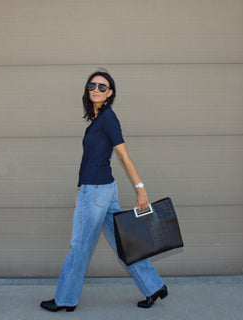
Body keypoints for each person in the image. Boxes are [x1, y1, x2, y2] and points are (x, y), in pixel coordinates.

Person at [40, 71, 167, 312]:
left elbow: (123, 154)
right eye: (92, 85)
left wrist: (141, 189)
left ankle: (65, 298)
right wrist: (82, 189)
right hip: (101, 190)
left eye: (102, 86)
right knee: (124, 242)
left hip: (98, 192)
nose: (96, 89)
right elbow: (90, 160)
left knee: (80, 245)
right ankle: (154, 286)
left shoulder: (108, 119)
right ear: (88, 90)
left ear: (109, 93)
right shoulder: (98, 121)